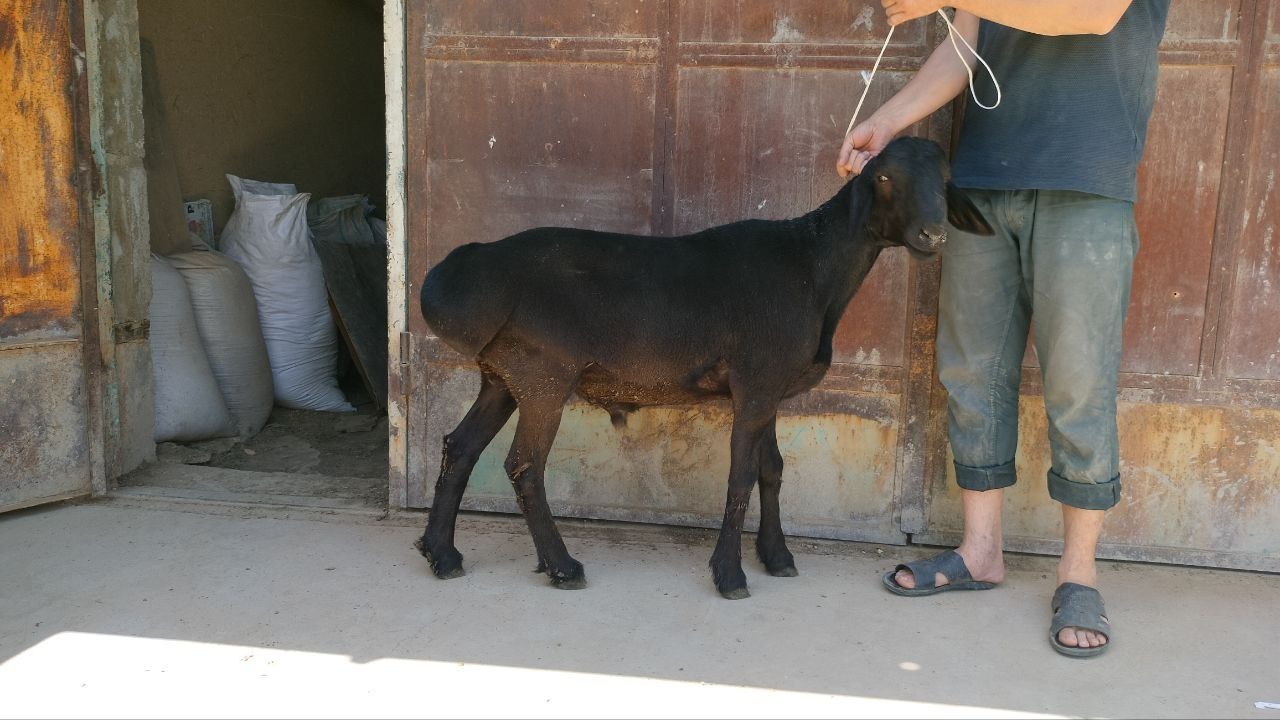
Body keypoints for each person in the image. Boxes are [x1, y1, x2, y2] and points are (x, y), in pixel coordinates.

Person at [838, 0, 1170, 657]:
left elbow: (1089, 14)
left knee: (1078, 381)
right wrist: (887, 120)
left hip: (1087, 181)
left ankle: (1078, 574)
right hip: (986, 179)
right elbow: (968, 41)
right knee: (972, 371)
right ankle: (980, 552)